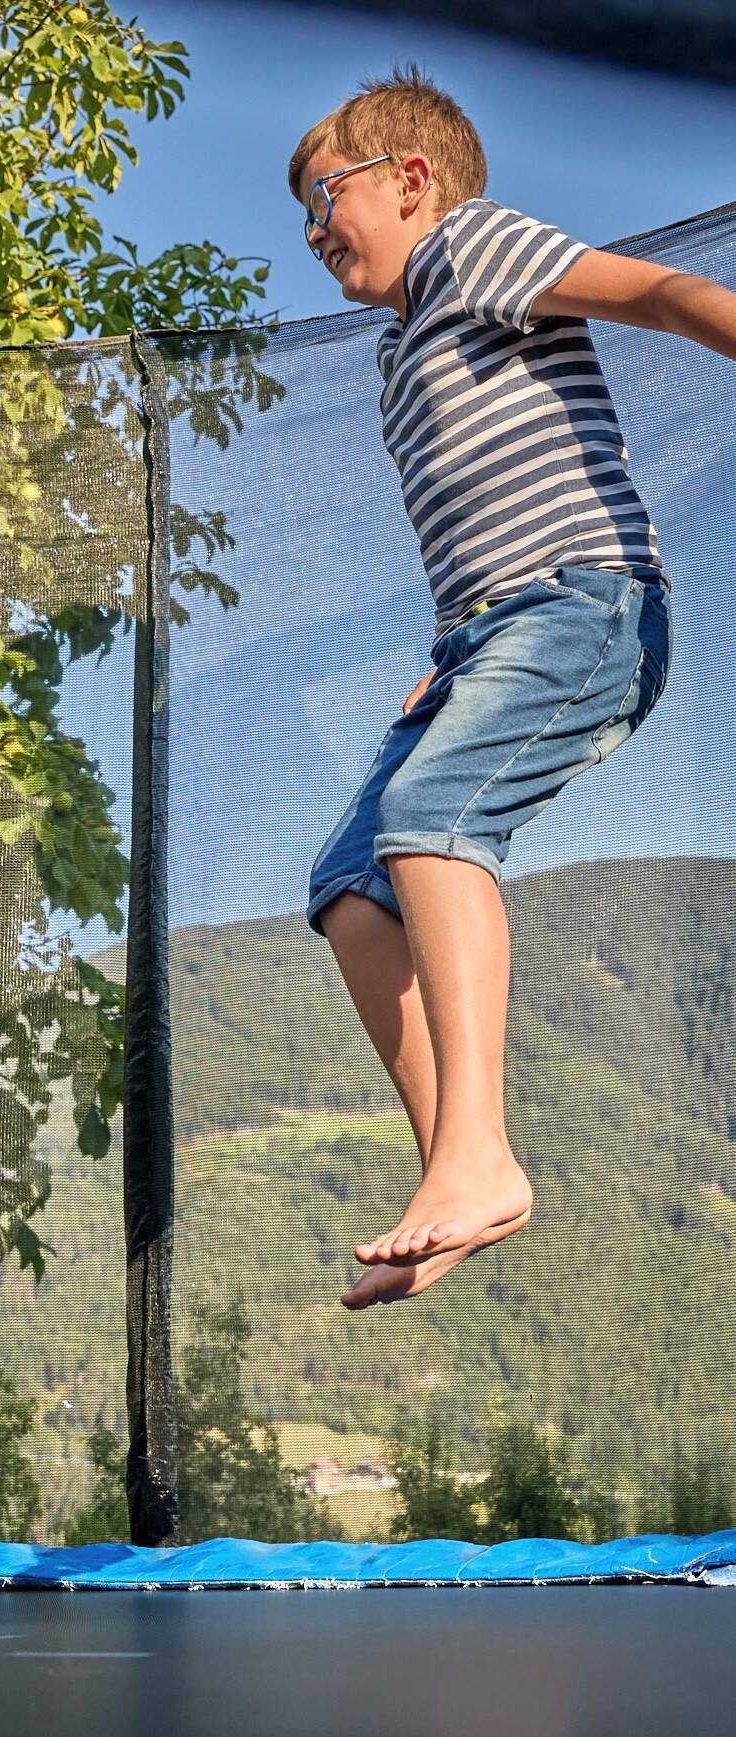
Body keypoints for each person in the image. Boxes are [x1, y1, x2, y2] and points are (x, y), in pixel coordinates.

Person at [287, 68, 736, 1311]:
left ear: (411, 182)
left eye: (325, 196)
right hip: (490, 630)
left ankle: (480, 1151)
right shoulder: (404, 346)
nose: (314, 231)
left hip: (584, 603)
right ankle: (458, 1171)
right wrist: (454, 643)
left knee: (431, 815)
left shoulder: (471, 246)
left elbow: (652, 290)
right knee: (346, 884)